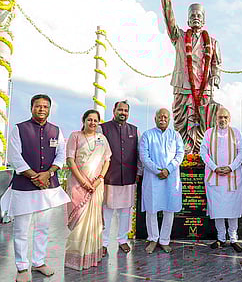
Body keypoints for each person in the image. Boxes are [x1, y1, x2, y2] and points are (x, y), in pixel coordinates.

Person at [0, 94, 70, 282]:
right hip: (24, 187)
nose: (41, 109)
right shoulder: (19, 129)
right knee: (21, 229)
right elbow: (15, 157)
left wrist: (48, 174)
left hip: (47, 188)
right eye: (38, 106)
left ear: (49, 109)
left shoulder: (56, 130)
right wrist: (35, 177)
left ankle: (38, 262)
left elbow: (61, 156)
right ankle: (22, 268)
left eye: (45, 106)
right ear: (31, 108)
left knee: (43, 227)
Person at [160, 0, 222, 154]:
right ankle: (183, 153)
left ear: (204, 20)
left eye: (199, 15)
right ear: (187, 19)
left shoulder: (213, 42)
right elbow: (169, 19)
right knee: (181, 123)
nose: (196, 17)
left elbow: (216, 65)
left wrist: (216, 76)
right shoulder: (179, 37)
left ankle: (202, 152)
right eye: (192, 15)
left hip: (204, 88)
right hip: (183, 86)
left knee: (205, 122)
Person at [64, 109, 111, 271]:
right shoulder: (75, 136)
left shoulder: (102, 139)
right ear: (83, 121)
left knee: (94, 223)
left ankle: (91, 256)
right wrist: (83, 182)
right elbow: (70, 160)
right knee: (78, 221)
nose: (92, 123)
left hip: (96, 186)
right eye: (89, 120)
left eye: (95, 120)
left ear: (98, 123)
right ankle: (75, 258)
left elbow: (107, 161)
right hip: (78, 185)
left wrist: (99, 179)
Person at [200, 107, 242, 253]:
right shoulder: (209, 133)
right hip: (215, 178)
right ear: (216, 118)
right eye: (220, 117)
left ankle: (233, 238)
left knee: (232, 210)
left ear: (229, 119)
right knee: (218, 209)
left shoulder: (236, 133)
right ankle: (221, 238)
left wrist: (231, 167)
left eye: (225, 117)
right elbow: (203, 152)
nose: (223, 120)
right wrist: (214, 167)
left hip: (232, 178)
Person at [139, 108, 185, 254]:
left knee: (169, 208)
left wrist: (168, 169)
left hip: (170, 177)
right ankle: (153, 238)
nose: (163, 119)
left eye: (165, 117)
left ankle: (164, 240)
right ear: (155, 118)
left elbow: (180, 154)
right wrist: (157, 170)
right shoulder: (147, 135)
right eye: (160, 116)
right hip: (153, 178)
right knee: (152, 209)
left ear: (169, 119)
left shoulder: (175, 135)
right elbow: (144, 156)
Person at [100, 100, 141, 256]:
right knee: (107, 212)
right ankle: (103, 243)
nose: (123, 113)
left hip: (129, 177)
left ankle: (122, 240)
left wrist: (139, 173)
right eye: (120, 110)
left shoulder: (134, 130)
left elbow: (138, 154)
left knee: (125, 212)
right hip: (109, 177)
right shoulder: (103, 129)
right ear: (114, 110)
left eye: (125, 110)